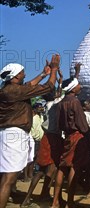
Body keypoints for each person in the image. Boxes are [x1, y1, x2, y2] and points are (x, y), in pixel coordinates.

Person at [0, 55, 59, 208]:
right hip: (14, 136)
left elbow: (28, 85)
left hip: (9, 135)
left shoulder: (9, 89)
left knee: (7, 177)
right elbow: (49, 87)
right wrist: (54, 70)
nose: (24, 75)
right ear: (15, 76)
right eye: (22, 73)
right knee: (8, 178)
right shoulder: (14, 91)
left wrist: (43, 74)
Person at [52, 74, 90, 208]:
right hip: (77, 136)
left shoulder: (61, 103)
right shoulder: (75, 102)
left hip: (67, 136)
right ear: (73, 88)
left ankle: (55, 201)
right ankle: (70, 202)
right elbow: (82, 124)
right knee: (74, 167)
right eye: (78, 85)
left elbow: (60, 123)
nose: (80, 86)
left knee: (62, 166)